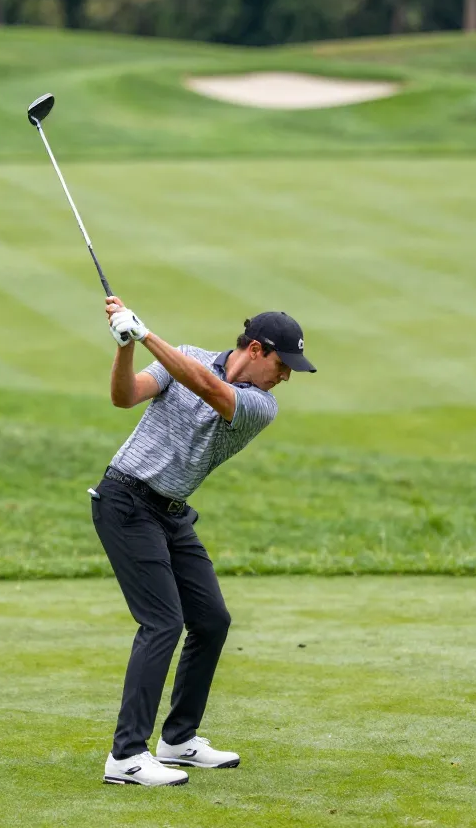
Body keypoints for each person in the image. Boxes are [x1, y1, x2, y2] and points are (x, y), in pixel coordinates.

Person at [95, 296, 316, 786]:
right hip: (126, 501)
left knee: (212, 620)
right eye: (282, 365)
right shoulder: (188, 355)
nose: (285, 377)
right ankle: (126, 756)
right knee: (162, 623)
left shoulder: (260, 405)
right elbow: (125, 395)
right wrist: (126, 345)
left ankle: (177, 740)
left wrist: (147, 333)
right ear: (256, 350)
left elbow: (209, 386)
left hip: (170, 514)